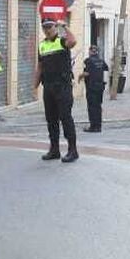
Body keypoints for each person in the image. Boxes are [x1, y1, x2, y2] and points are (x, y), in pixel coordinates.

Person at [33, 19, 79, 162]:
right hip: (48, 86)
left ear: (55, 27)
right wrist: (34, 86)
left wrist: (64, 26)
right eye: (44, 27)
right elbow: (40, 67)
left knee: (65, 117)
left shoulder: (61, 41)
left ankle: (72, 150)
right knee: (51, 119)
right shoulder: (42, 45)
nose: (47, 30)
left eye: (50, 27)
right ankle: (54, 150)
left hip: (62, 86)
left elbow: (73, 42)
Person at [81, 45, 108, 132]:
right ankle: (98, 126)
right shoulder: (101, 61)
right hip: (100, 87)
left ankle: (93, 126)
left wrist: (80, 76)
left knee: (92, 107)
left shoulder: (88, 61)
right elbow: (106, 68)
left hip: (91, 87)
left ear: (90, 51)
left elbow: (86, 73)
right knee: (98, 106)